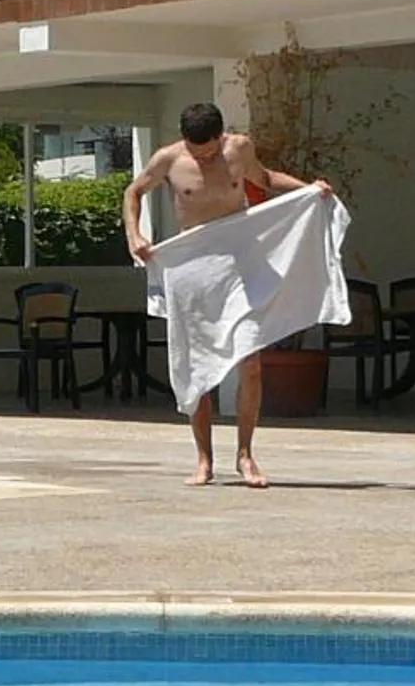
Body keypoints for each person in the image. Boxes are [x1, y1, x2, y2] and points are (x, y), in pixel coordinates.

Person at [122, 102, 330, 490]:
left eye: (211, 151)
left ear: (222, 136)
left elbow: (266, 179)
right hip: (192, 269)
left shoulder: (239, 148)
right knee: (198, 367)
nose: (205, 158)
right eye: (197, 152)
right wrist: (135, 235)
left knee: (250, 360)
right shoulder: (168, 159)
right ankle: (203, 459)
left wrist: (309, 190)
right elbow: (133, 192)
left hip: (240, 264)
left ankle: (246, 454)